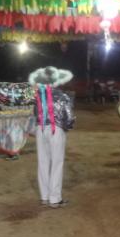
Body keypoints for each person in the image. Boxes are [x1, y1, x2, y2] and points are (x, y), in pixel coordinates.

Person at [30, 66, 75, 208]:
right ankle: (54, 198)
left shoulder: (38, 95)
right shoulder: (63, 96)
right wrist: (67, 127)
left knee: (42, 162)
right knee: (57, 163)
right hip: (56, 130)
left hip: (41, 129)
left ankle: (44, 196)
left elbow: (35, 114)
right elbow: (69, 118)